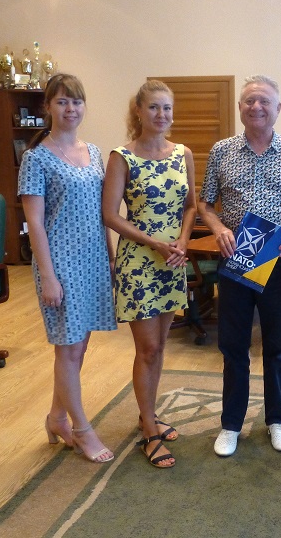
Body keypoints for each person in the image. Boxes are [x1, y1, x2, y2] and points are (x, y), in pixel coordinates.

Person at [198, 75, 281, 457]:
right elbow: (204, 203)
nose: (256, 107)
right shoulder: (221, 151)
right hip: (238, 257)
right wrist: (218, 228)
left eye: (264, 101)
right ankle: (231, 424)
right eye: (249, 101)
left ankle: (277, 419)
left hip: (279, 258)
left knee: (277, 344)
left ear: (278, 108)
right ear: (240, 108)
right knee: (233, 344)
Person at [19, 73, 116, 464]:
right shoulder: (36, 158)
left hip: (93, 260)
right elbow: (34, 223)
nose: (70, 108)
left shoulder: (93, 152)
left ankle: (56, 418)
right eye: (61, 102)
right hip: (59, 263)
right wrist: (48, 276)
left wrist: (110, 256)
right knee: (70, 348)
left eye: (76, 101)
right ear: (48, 107)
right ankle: (81, 429)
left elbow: (102, 212)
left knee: (79, 345)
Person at [102, 80, 197, 469]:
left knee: (160, 345)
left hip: (172, 262)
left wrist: (182, 241)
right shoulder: (122, 157)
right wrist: (154, 243)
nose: (162, 115)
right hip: (139, 263)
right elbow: (110, 215)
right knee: (148, 349)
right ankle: (149, 432)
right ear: (138, 111)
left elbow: (191, 206)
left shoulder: (183, 154)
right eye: (154, 107)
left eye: (167, 108)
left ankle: (149, 415)